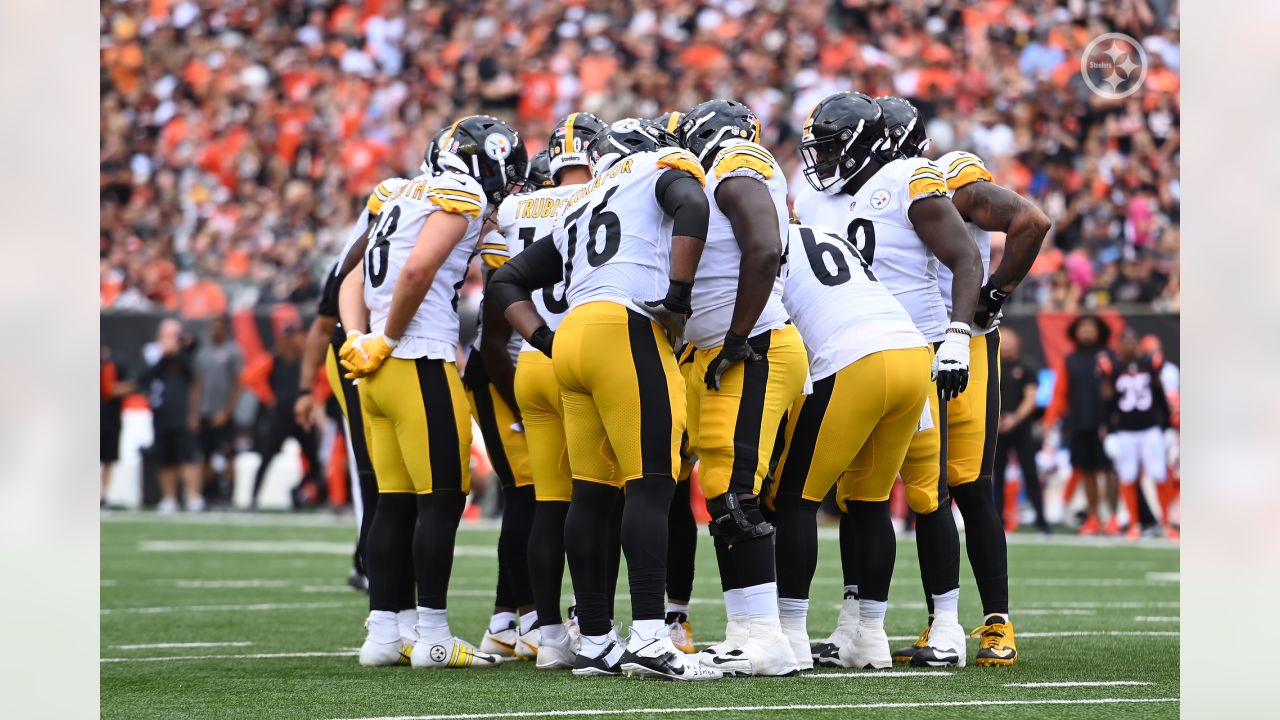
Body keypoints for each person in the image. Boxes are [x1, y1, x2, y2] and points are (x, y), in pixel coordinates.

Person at [488, 118, 721, 681]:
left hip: (570, 341)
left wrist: (544, 338)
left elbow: (504, 282)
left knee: (590, 494)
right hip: (626, 326)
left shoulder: (578, 201)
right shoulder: (655, 168)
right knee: (651, 484)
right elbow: (693, 206)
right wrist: (679, 298)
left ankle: (594, 638)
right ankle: (648, 634)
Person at [793, 92, 981, 669]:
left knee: (928, 493)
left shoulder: (907, 178)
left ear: (862, 145)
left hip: (918, 346)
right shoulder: (813, 198)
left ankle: (946, 625)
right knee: (859, 495)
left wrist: (957, 332)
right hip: (844, 354)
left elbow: (966, 258)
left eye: (830, 149)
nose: (819, 162)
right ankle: (859, 626)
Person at [340, 115, 527, 670]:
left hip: (375, 368)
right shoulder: (462, 191)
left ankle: (384, 631)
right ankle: (433, 634)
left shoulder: (400, 192)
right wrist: (392, 336)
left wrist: (359, 337)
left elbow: (352, 276)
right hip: (417, 357)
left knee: (392, 503)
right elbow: (419, 269)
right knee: (443, 496)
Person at [876, 96, 1051, 668]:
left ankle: (996, 621)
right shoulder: (859, 194)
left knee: (969, 483)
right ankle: (941, 623)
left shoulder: (950, 178)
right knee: (926, 490)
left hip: (962, 347)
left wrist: (992, 296)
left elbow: (1031, 220)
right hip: (902, 348)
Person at [673, 99, 807, 677]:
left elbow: (762, 245)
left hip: (752, 346)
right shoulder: (722, 168)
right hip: (719, 346)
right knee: (721, 489)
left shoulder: (736, 159)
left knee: (735, 490)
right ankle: (751, 631)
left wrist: (735, 335)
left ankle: (762, 637)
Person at [768, 224, 931, 670]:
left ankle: (791, 635)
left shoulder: (761, 236)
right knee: (870, 501)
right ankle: (870, 637)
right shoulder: (825, 235)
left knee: (795, 499)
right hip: (913, 354)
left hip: (853, 356)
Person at [476, 114, 607, 670]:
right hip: (583, 354)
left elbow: (497, 306)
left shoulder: (513, 208)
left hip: (531, 357)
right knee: (600, 499)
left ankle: (547, 633)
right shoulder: (606, 194)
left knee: (546, 503)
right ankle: (592, 625)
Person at [297, 176, 411, 594]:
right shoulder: (359, 254)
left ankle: (381, 562)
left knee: (399, 469)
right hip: (358, 351)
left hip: (392, 352)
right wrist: (305, 389)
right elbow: (325, 323)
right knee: (371, 465)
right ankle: (367, 563)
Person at [468, 146, 560, 662]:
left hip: (520, 369)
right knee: (528, 494)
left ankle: (506, 619)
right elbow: (493, 340)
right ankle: (526, 617)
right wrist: (521, 405)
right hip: (503, 372)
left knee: (532, 496)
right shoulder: (520, 232)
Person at [1043, 314, 1114, 535]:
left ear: (1099, 330)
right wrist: (1050, 419)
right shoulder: (1070, 359)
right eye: (1083, 328)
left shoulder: (1109, 356)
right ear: (1075, 331)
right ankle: (1093, 516)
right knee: (1088, 471)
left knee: (1110, 471)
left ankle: (1112, 516)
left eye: (1091, 328)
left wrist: (1113, 420)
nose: (1086, 331)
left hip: (1108, 424)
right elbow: (1060, 392)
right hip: (1080, 422)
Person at [1105, 329, 1177, 541]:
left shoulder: (1150, 364)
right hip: (1126, 431)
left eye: (1132, 341)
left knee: (1160, 474)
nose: (1129, 346)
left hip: (1150, 429)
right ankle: (1134, 524)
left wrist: (1166, 429)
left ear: (1138, 344)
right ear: (1119, 345)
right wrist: (1110, 431)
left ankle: (1166, 523)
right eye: (1125, 342)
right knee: (1128, 477)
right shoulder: (1113, 368)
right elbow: (1108, 402)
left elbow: (1160, 396)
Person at [249, 322, 321, 509]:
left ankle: (297, 491)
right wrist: (269, 398)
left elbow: (321, 380)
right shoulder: (273, 359)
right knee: (266, 459)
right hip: (280, 417)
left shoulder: (304, 360)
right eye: (297, 335)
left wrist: (314, 401)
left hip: (301, 418)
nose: (301, 339)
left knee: (315, 463)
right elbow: (249, 377)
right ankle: (253, 499)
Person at [140, 318, 203, 513]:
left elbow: (194, 378)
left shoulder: (187, 355)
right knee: (164, 459)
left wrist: (193, 413)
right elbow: (145, 377)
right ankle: (169, 497)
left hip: (182, 414)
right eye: (166, 335)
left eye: (173, 336)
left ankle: (193, 496)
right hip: (160, 414)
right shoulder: (153, 354)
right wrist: (164, 357)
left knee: (188, 457)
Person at [992, 328, 1050, 534]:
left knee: (1030, 474)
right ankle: (997, 520)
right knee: (996, 476)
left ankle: (1042, 522)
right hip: (997, 426)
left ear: (1018, 343)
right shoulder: (992, 365)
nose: (1006, 345)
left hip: (1021, 427)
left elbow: (1031, 397)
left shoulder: (1027, 366)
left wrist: (1014, 418)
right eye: (1003, 340)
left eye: (1010, 340)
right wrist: (995, 418)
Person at [194, 315, 242, 507]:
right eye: (213, 327)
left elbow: (238, 383)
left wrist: (226, 411)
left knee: (229, 456)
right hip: (205, 411)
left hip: (224, 414)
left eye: (219, 327)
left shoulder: (232, 351)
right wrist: (194, 411)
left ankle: (229, 494)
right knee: (205, 456)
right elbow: (197, 384)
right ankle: (209, 493)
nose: (216, 331)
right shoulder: (203, 353)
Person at [101, 344, 134, 508]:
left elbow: (131, 383)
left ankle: (103, 495)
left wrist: (114, 389)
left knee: (108, 458)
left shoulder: (115, 360)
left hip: (110, 417)